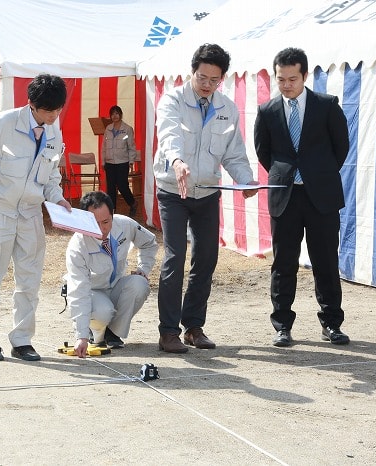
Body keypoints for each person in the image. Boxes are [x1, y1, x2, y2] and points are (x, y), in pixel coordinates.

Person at [0, 73, 71, 362]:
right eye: (49, 110)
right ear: (32, 104)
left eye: (58, 110)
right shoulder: (4, 123)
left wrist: (57, 197)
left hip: (31, 215)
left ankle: (22, 340)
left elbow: (52, 173)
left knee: (29, 281)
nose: (54, 116)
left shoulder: (54, 131)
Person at [153, 43, 258, 354]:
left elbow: (234, 153)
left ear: (222, 78)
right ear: (192, 71)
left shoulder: (227, 108)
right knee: (175, 257)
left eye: (214, 80)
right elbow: (168, 134)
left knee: (207, 258)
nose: (207, 85)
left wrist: (245, 180)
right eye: (202, 78)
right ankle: (168, 331)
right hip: (173, 190)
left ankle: (194, 326)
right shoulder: (172, 100)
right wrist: (177, 161)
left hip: (208, 193)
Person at [254, 47, 350, 347]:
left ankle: (332, 324)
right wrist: (287, 175)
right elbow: (263, 151)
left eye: (292, 79)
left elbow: (341, 146)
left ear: (305, 76)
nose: (286, 85)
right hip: (285, 196)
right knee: (284, 263)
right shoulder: (267, 111)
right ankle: (282, 325)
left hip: (321, 195)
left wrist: (316, 173)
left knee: (325, 261)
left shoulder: (327, 105)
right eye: (281, 79)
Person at [65, 191, 157, 358]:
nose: (102, 229)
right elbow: (79, 291)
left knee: (139, 284)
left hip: (116, 285)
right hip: (92, 292)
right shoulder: (77, 246)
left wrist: (143, 268)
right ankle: (95, 332)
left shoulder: (125, 224)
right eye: (95, 223)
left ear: (113, 215)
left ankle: (112, 333)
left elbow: (149, 242)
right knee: (104, 311)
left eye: (106, 221)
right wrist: (81, 336)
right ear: (84, 220)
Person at [101, 105, 138, 216]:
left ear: (121, 115)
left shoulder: (127, 129)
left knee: (122, 186)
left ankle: (133, 203)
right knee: (111, 188)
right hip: (110, 163)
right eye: (112, 114)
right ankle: (112, 211)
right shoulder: (108, 129)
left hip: (123, 162)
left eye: (117, 113)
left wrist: (131, 161)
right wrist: (103, 161)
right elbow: (103, 147)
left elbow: (131, 147)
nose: (115, 116)